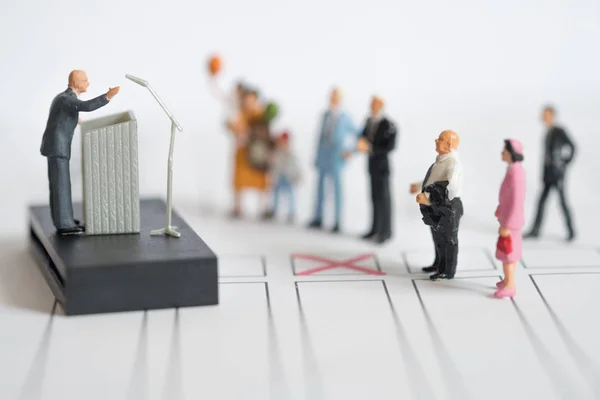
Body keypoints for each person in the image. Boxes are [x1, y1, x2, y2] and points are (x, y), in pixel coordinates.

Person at [40, 70, 119, 234]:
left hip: (55, 146)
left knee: (59, 185)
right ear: (75, 83)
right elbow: (86, 106)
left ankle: (63, 219)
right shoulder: (67, 99)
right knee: (61, 186)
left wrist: (76, 120)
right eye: (85, 80)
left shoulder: (64, 98)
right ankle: (65, 224)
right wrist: (108, 96)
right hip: (58, 147)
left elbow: (61, 117)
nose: (88, 83)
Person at [410, 130, 463, 280]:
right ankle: (438, 264)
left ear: (449, 145)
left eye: (440, 139)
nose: (436, 141)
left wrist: (428, 197)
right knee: (437, 236)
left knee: (448, 239)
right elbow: (433, 180)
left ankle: (448, 270)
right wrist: (420, 185)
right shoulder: (440, 160)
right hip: (436, 206)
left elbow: (451, 187)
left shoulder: (453, 163)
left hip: (449, 207)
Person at [308, 88, 359, 233]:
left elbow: (358, 134)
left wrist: (351, 149)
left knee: (337, 189)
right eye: (332, 97)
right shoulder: (325, 115)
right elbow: (319, 137)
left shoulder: (345, 118)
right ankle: (318, 217)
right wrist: (316, 156)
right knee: (320, 188)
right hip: (324, 156)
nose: (333, 100)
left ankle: (337, 222)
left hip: (337, 157)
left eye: (336, 97)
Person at [524, 105, 576, 241]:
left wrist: (564, 163)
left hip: (557, 174)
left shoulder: (559, 131)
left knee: (562, 202)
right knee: (541, 202)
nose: (544, 118)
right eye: (543, 115)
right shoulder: (548, 132)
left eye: (546, 115)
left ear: (552, 116)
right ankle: (535, 230)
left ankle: (571, 231)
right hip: (548, 174)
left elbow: (572, 146)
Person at [355, 96, 397, 244]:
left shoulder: (388, 124)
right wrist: (360, 142)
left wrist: (371, 148)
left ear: (381, 106)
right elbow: (363, 135)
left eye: (375, 104)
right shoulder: (369, 120)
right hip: (371, 166)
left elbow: (390, 146)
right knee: (373, 198)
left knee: (384, 199)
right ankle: (374, 228)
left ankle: (386, 231)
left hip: (382, 167)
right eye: (371, 104)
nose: (372, 107)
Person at [494, 139, 526, 298]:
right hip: (508, 218)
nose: (502, 153)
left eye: (504, 151)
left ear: (512, 153)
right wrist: (500, 209)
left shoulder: (516, 173)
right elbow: (508, 197)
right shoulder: (513, 170)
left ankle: (510, 285)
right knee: (506, 253)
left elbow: (516, 201)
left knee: (508, 254)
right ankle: (507, 279)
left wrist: (507, 223)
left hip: (511, 223)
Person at [265, 132, 301, 222]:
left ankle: (291, 212)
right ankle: (274, 209)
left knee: (290, 195)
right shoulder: (276, 154)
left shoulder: (291, 154)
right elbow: (273, 166)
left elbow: (296, 166)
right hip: (279, 177)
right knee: (276, 194)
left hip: (288, 178)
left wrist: (297, 175)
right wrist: (271, 176)